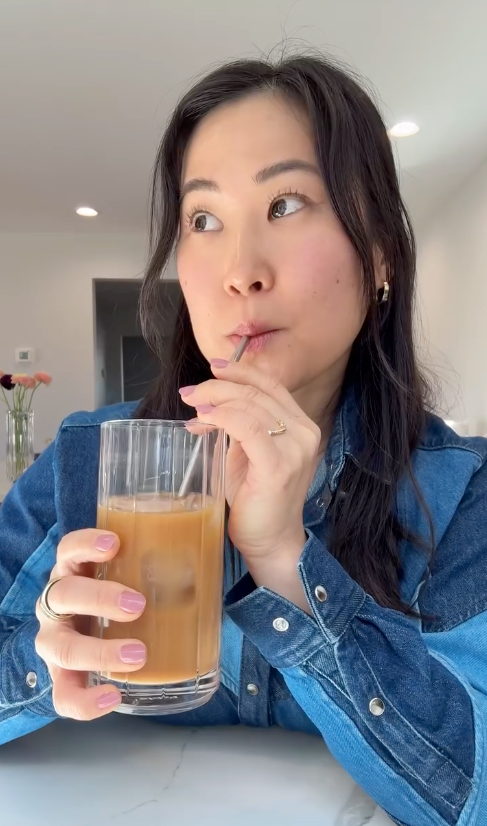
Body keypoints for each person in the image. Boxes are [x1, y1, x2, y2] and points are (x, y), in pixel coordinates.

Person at [0, 52, 486, 826]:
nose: (239, 270)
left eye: (286, 204)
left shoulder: (459, 493)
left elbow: (475, 785)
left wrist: (287, 568)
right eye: (203, 219)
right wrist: (45, 653)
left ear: (382, 256)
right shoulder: (89, 460)